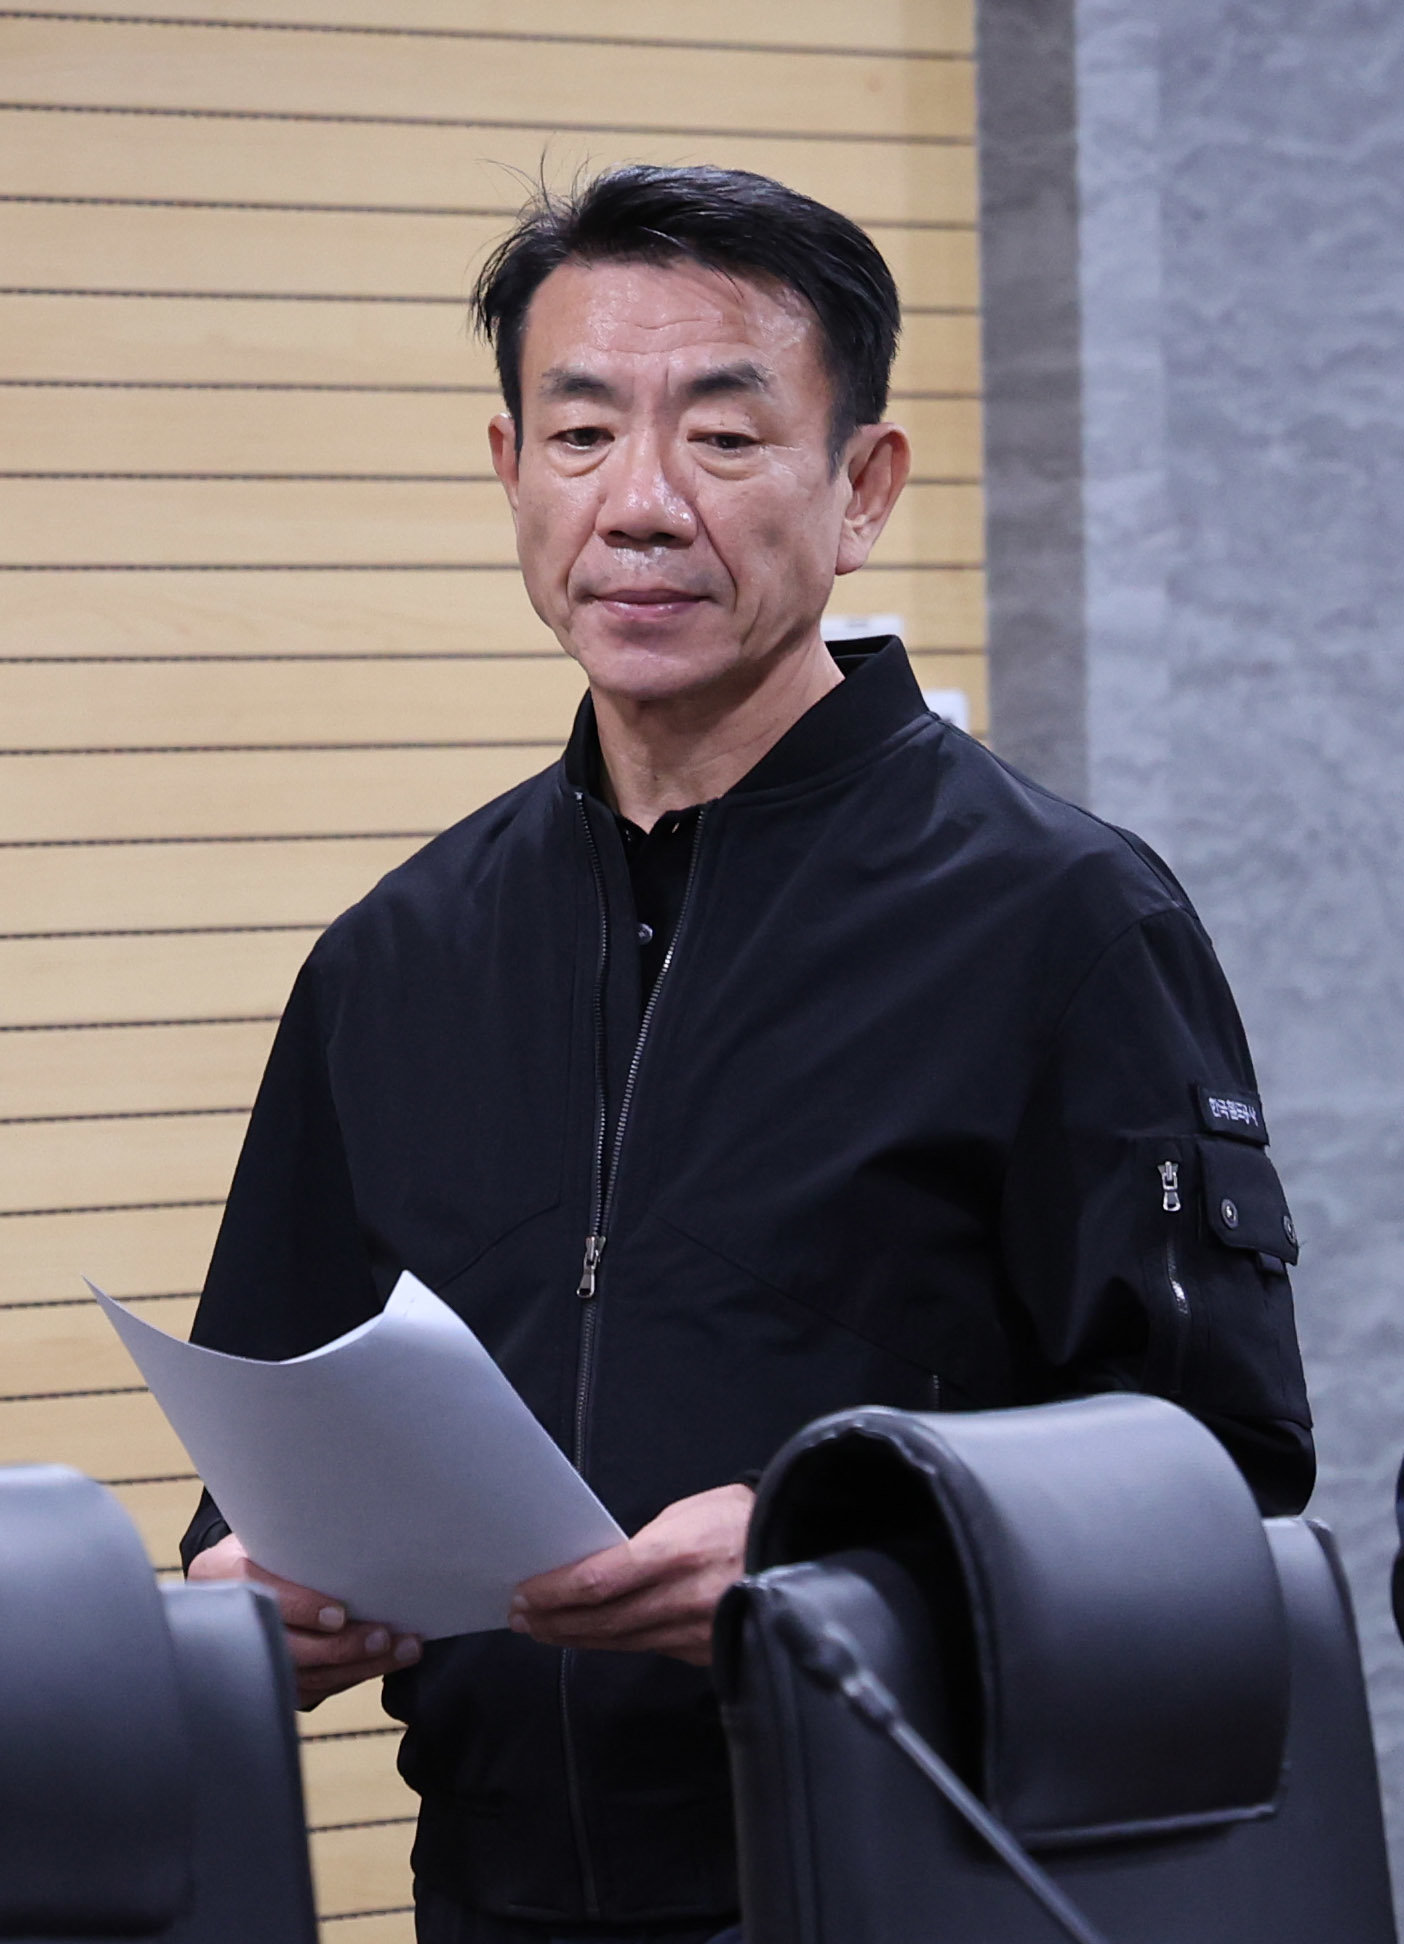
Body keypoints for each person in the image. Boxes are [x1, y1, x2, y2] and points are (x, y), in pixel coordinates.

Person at [181, 165, 1313, 1944]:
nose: (638, 504)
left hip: (923, 1884)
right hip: (491, 1898)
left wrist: (839, 1555)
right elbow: (258, 1455)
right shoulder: (394, 960)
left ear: (862, 488)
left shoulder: (1064, 921)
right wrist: (252, 1599)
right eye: (580, 436)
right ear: (511, 472)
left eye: (722, 436)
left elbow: (1222, 1475)